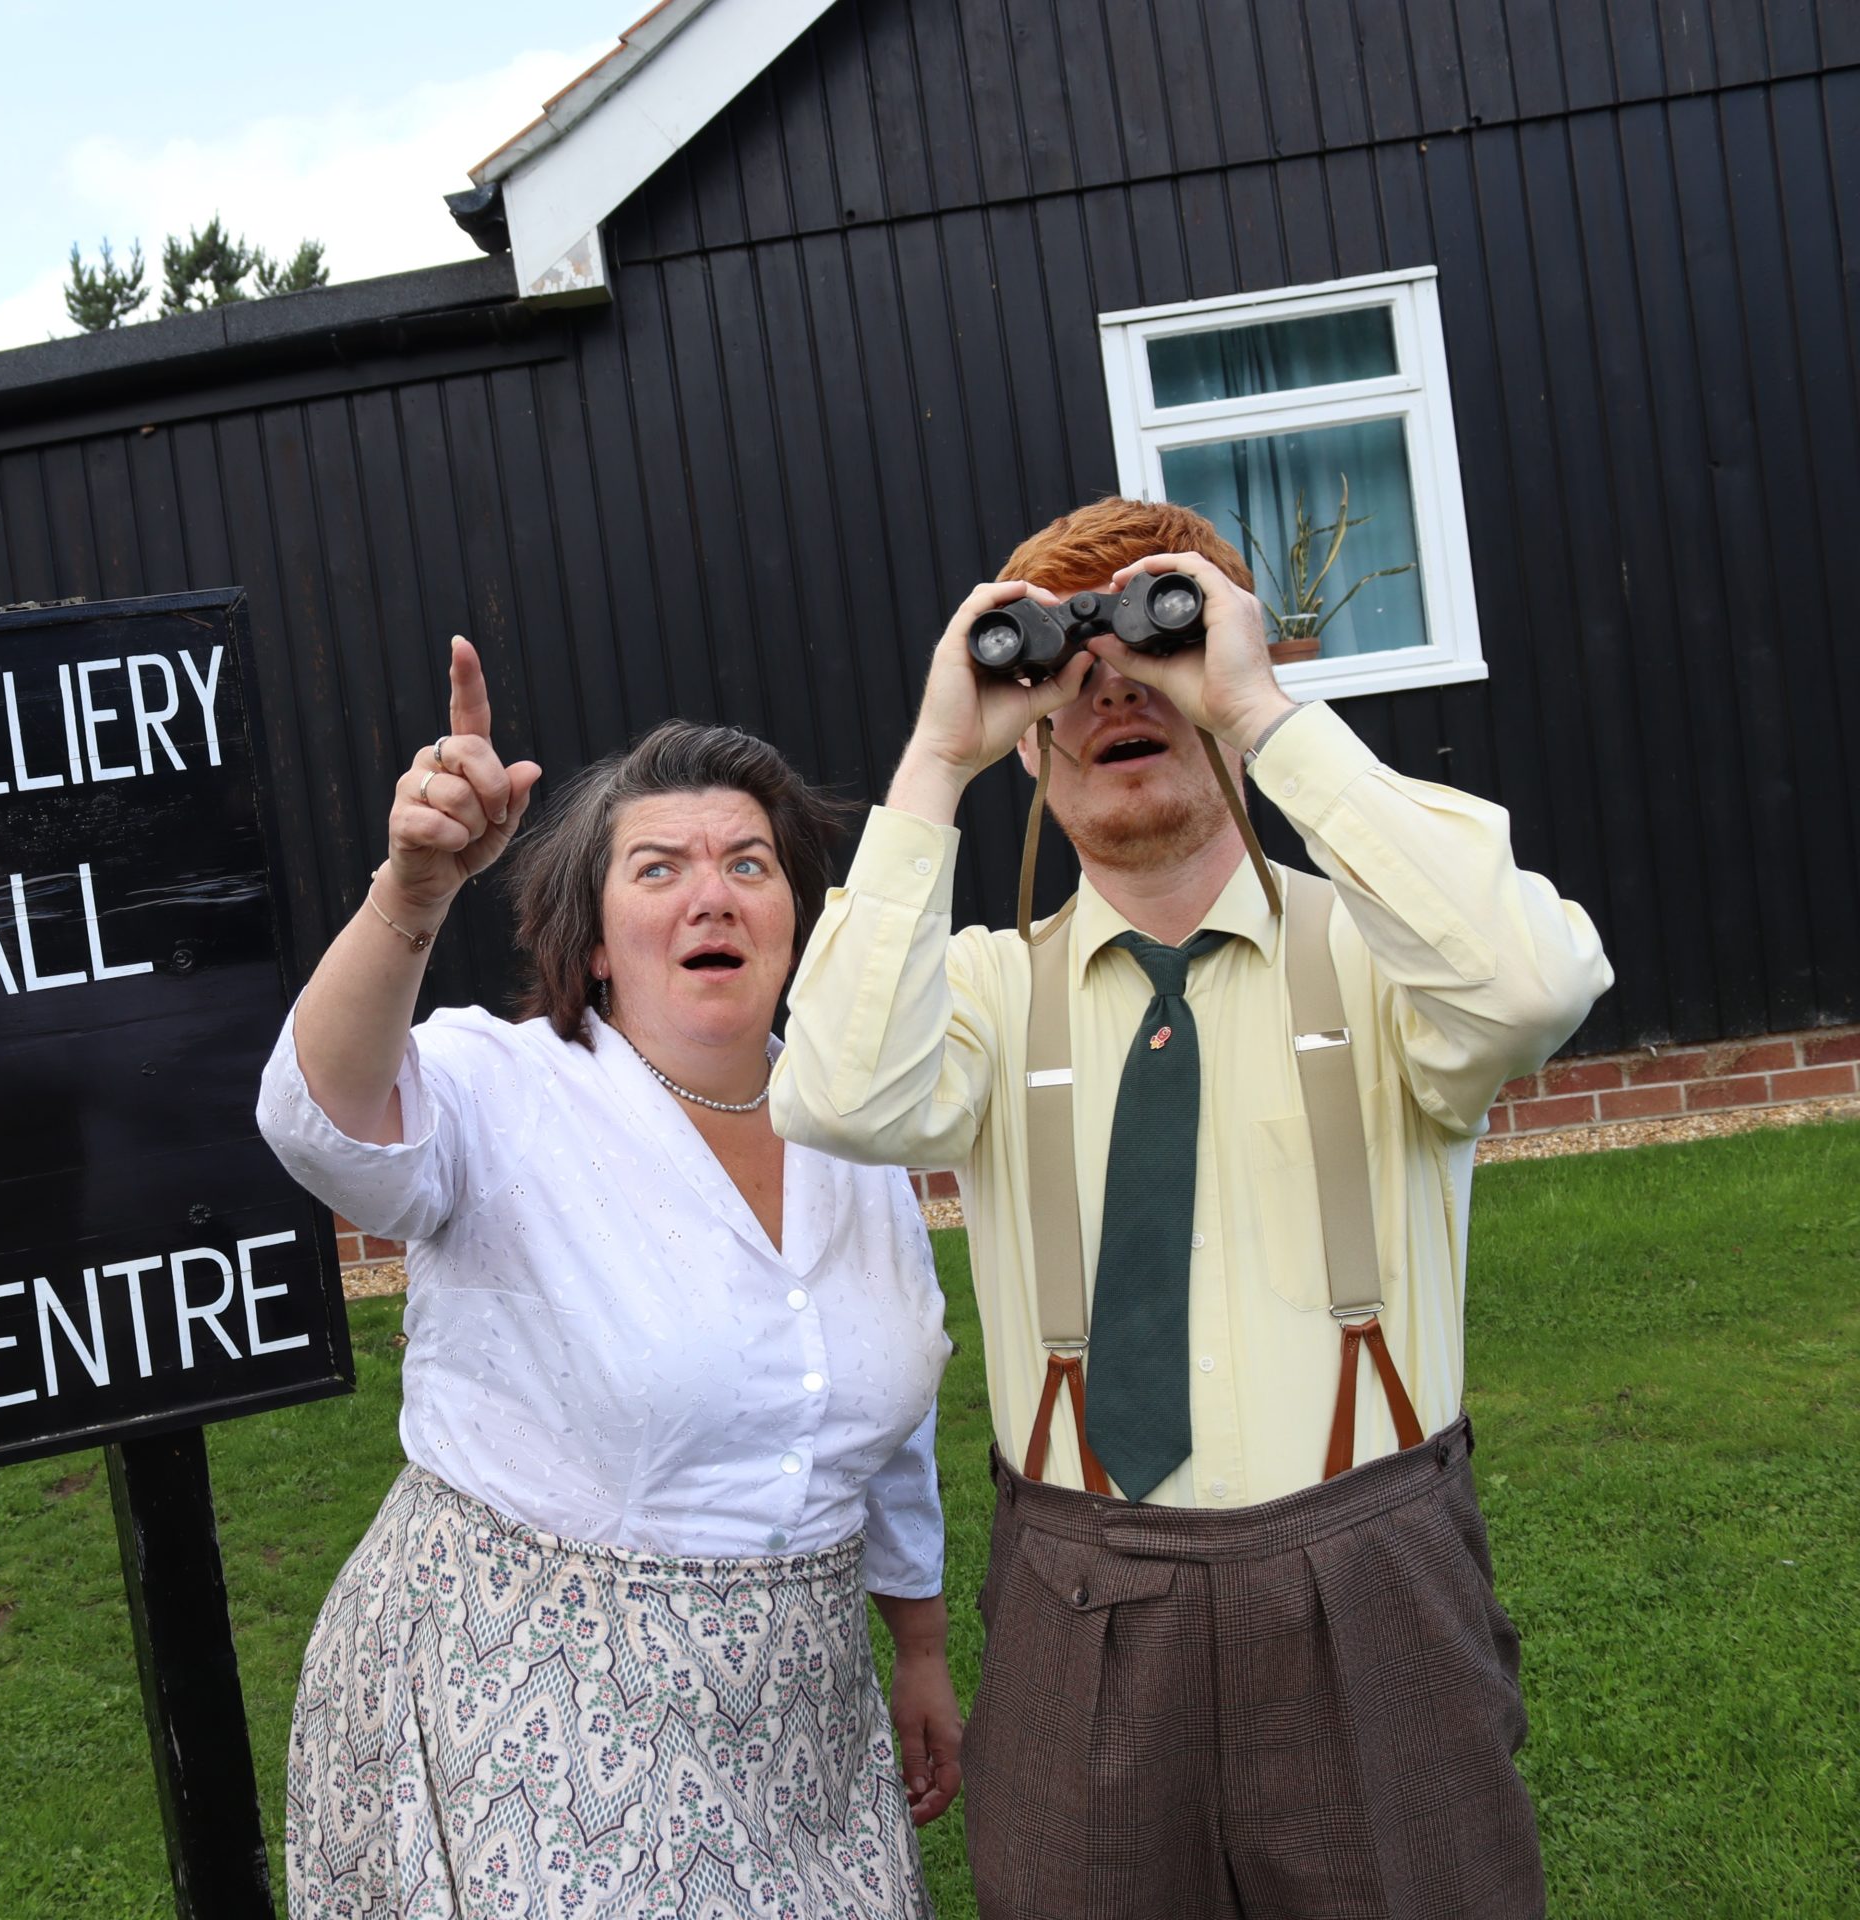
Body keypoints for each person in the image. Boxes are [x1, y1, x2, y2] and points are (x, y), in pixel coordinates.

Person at [772, 498, 1612, 1919]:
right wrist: (936, 758)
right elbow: (840, 1096)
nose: (1115, 691)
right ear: (1030, 739)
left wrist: (1262, 710)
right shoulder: (985, 992)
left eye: (1157, 654)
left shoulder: (1384, 959)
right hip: (1078, 1601)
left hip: (1371, 1578)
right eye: (1071, 674)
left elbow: (1531, 987)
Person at [257, 638, 962, 1920]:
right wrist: (413, 888)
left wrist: (918, 1647)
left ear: (794, 921)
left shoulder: (850, 1128)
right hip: (531, 1699)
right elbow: (320, 1118)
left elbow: (883, 1424)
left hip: (800, 1718)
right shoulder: (506, 1087)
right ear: (592, 945)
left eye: (747, 864)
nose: (712, 897)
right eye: (659, 868)